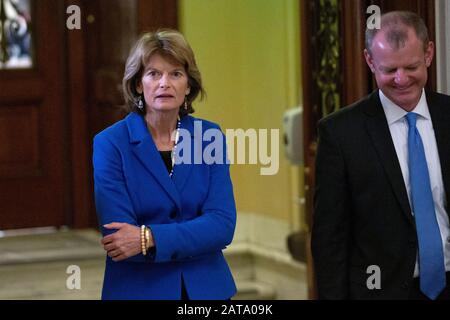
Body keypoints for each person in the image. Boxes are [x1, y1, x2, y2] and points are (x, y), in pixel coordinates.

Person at [311, 11, 450, 299]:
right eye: (389, 70)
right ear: (370, 61)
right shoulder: (340, 134)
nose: (401, 80)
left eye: (411, 67)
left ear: (429, 53)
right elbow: (330, 240)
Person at [92, 29, 237, 300]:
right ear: (138, 84)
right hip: (138, 291)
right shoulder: (110, 144)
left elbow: (222, 225)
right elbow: (119, 241)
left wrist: (148, 238)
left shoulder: (209, 137)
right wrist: (194, 235)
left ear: (188, 85)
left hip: (207, 291)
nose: (164, 83)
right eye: (153, 74)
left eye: (175, 74)